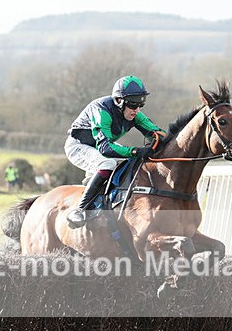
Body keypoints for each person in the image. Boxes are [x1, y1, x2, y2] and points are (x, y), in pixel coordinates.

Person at [65, 75, 166, 228]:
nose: (137, 109)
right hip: (79, 146)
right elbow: (106, 148)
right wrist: (135, 151)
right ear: (119, 101)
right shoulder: (102, 110)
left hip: (100, 147)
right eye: (133, 104)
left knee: (130, 164)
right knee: (108, 163)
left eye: (141, 104)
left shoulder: (134, 113)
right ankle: (80, 209)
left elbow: (158, 133)